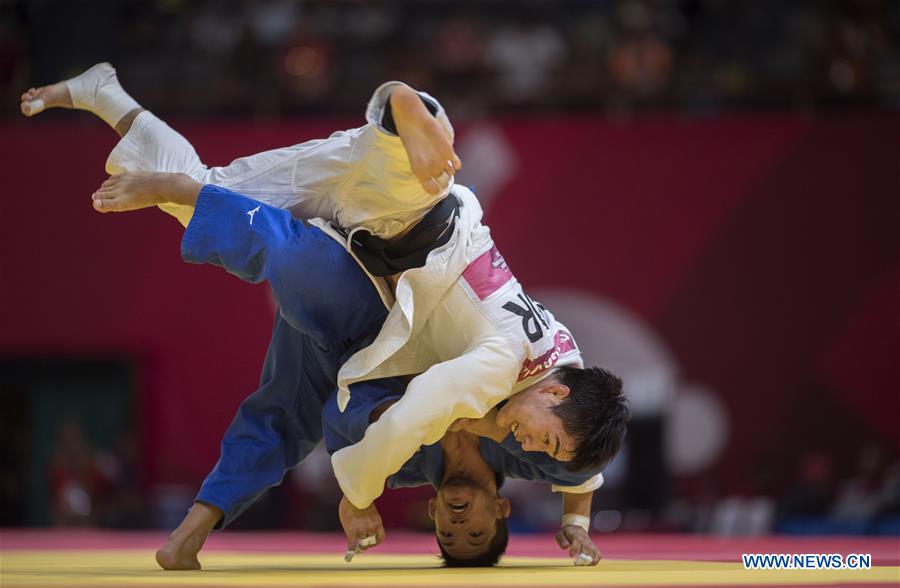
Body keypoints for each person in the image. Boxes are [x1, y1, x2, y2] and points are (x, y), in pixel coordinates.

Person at [22, 64, 629, 548]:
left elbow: (579, 464)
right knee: (398, 164)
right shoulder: (501, 369)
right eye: (543, 441)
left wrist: (576, 522)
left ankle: (108, 96)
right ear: (554, 394)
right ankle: (409, 113)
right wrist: (357, 493)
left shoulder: (563, 361)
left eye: (450, 537)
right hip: (406, 218)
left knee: (209, 189)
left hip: (376, 228)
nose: (530, 446)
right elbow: (411, 418)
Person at [91, 171, 604, 568]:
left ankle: (185, 536)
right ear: (503, 510)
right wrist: (577, 522)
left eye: (448, 536)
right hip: (373, 320)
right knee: (293, 260)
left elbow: (343, 427)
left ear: (431, 517)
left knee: (281, 420)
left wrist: (368, 468)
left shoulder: (400, 472)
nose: (458, 524)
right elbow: (580, 459)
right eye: (476, 533)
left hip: (347, 366)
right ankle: (181, 187)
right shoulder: (525, 440)